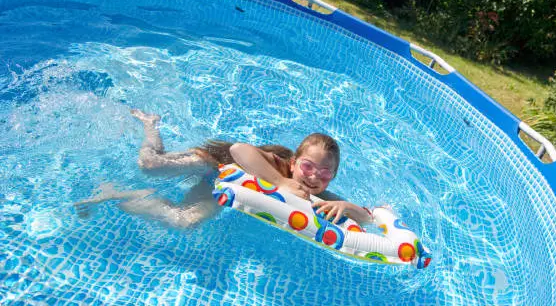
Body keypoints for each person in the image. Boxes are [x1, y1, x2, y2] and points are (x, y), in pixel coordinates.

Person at [74, 109, 372, 229]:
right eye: (308, 166)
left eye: (325, 173)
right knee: (150, 164)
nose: (313, 177)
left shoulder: (320, 193)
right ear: (294, 162)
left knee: (185, 221)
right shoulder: (282, 168)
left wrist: (346, 205)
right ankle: (150, 126)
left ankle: (116, 194)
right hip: (215, 163)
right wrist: (281, 181)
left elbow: (369, 217)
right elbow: (237, 150)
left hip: (223, 187)